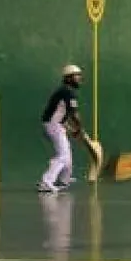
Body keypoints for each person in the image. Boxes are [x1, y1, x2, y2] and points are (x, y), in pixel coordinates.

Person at [37, 64, 85, 193]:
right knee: (63, 155)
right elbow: (74, 114)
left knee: (67, 155)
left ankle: (63, 180)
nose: (79, 78)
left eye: (80, 75)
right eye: (76, 76)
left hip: (56, 124)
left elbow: (61, 114)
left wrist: (71, 129)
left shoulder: (64, 91)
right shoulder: (68, 92)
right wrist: (79, 129)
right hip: (54, 125)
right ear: (68, 78)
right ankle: (46, 182)